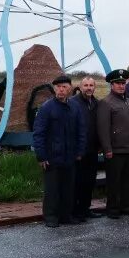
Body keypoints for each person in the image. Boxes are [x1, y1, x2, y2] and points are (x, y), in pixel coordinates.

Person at [32, 74, 86, 227]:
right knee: (52, 190)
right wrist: (41, 156)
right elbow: (39, 133)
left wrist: (80, 151)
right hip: (52, 156)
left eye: (64, 87)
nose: (61, 90)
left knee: (68, 189)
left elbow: (81, 130)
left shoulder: (75, 107)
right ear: (54, 89)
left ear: (69, 89)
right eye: (58, 87)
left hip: (70, 156)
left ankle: (66, 216)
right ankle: (51, 217)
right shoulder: (47, 107)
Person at [97, 69, 129, 219]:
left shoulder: (128, 101)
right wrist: (107, 149)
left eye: (123, 83)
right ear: (111, 85)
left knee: (128, 181)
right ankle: (113, 209)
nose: (121, 86)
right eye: (118, 83)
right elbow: (103, 128)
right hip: (115, 151)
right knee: (114, 182)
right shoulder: (106, 103)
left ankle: (126, 206)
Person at [70, 76, 102, 221]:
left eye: (91, 85)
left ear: (94, 87)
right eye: (86, 85)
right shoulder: (73, 103)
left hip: (93, 149)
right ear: (80, 87)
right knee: (78, 182)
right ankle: (76, 211)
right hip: (78, 150)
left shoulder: (96, 103)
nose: (89, 88)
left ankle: (85, 208)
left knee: (89, 181)